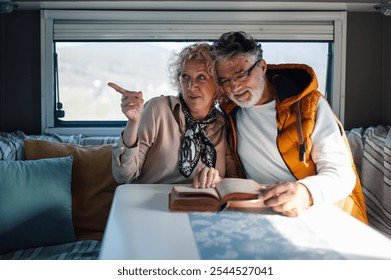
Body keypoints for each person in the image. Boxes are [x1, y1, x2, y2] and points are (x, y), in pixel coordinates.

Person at [213, 31, 368, 223]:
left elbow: (342, 175)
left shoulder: (310, 105)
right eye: (225, 80)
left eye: (241, 74)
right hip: (266, 213)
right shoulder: (229, 113)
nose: (234, 87)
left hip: (323, 213)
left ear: (262, 67)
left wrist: (305, 192)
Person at [110, 43, 230, 188]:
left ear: (217, 85)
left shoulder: (224, 124)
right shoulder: (157, 110)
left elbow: (231, 181)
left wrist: (217, 181)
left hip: (200, 204)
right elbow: (123, 175)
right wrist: (133, 123)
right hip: (148, 202)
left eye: (201, 78)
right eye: (185, 77)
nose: (191, 86)